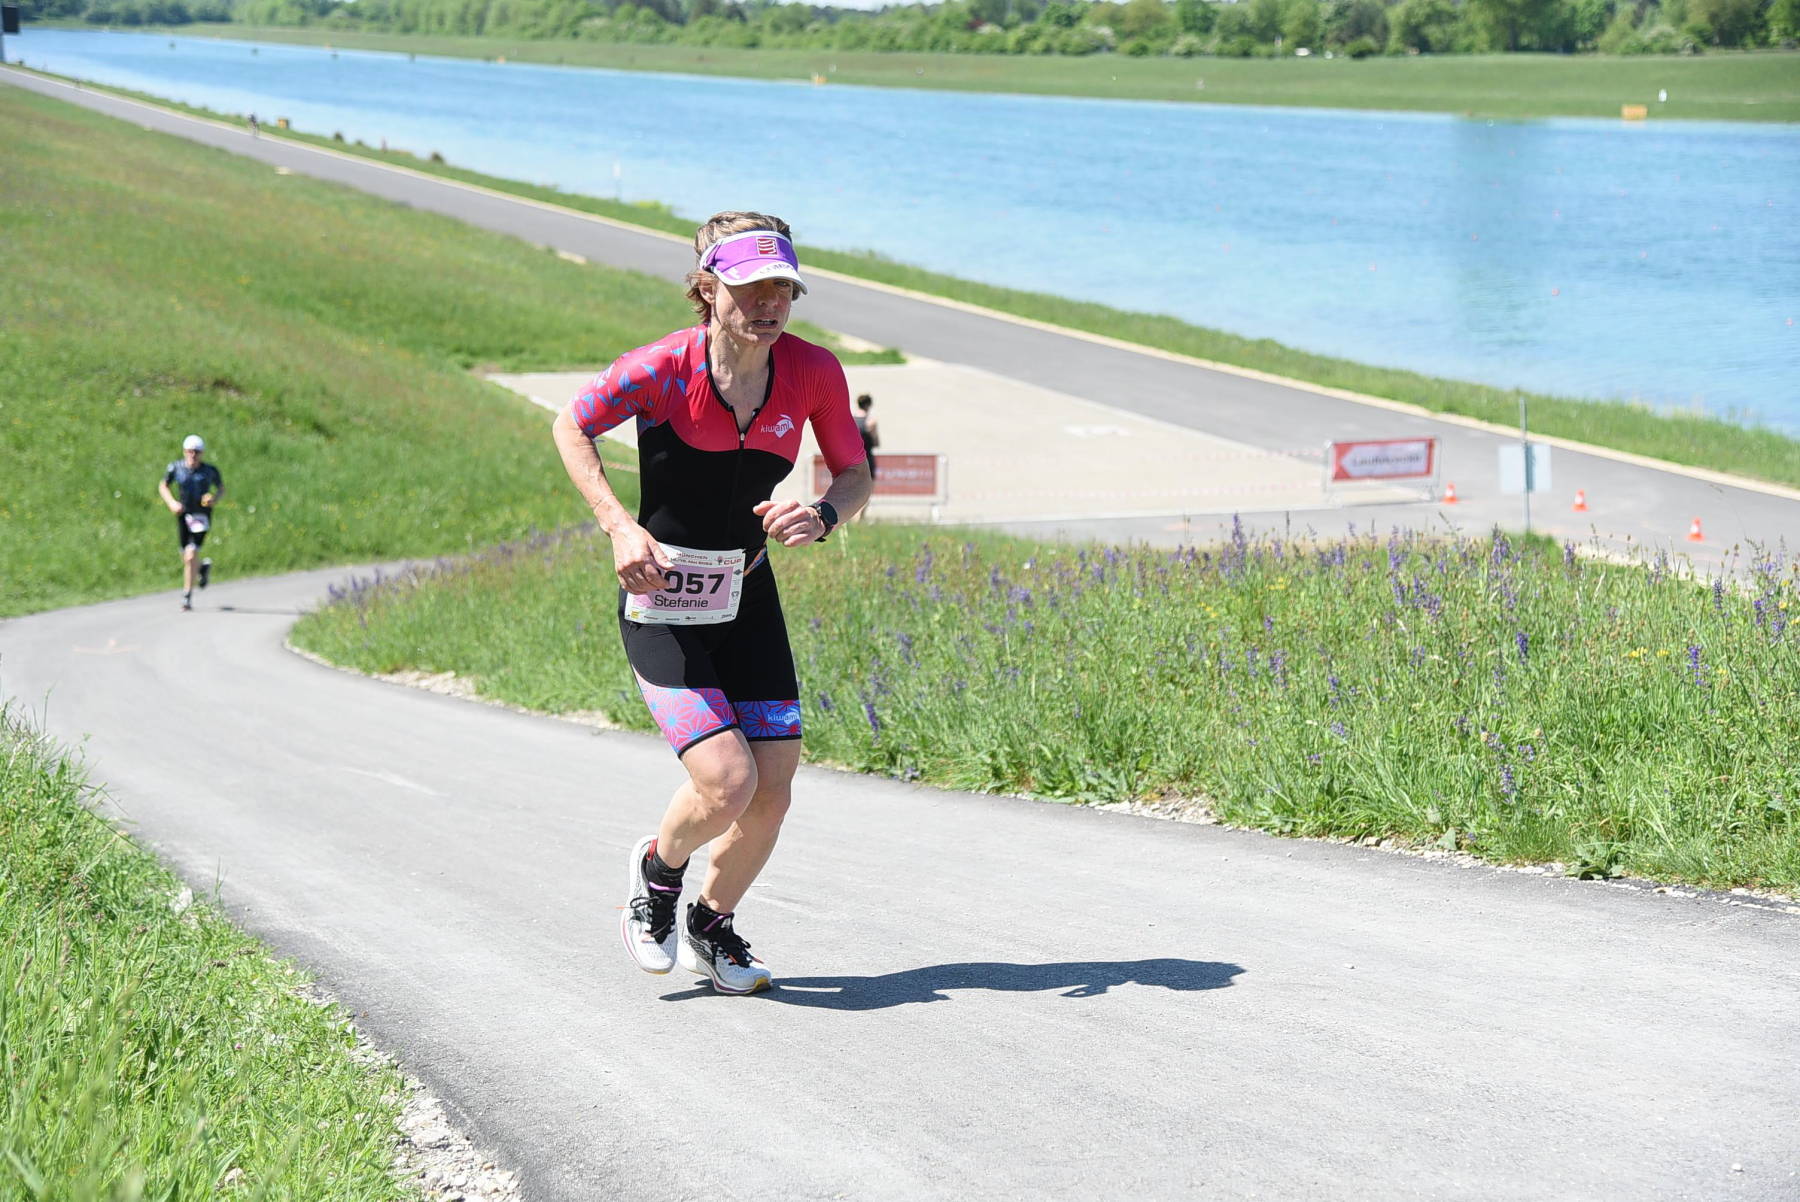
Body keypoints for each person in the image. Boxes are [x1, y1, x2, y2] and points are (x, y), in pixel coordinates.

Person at [552, 211, 872, 995]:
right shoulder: (664, 367)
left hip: (746, 594)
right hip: (660, 602)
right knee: (727, 783)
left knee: (773, 788)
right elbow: (572, 424)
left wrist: (824, 512)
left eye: (783, 290)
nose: (769, 304)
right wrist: (619, 527)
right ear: (707, 287)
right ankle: (659, 877)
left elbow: (854, 473)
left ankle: (710, 924)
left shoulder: (813, 371)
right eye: (751, 288)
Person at [159, 434, 223, 611]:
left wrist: (213, 498)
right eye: (190, 451)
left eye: (196, 452)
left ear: (201, 453)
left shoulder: (209, 471)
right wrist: (171, 502)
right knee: (186, 556)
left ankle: (186, 597)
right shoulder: (176, 468)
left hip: (201, 516)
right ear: (184, 452)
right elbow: (163, 485)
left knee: (190, 554)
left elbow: (221, 489)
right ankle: (202, 568)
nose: (193, 455)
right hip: (183, 515)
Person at [854, 393, 880, 519]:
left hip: (852, 459)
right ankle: (859, 517)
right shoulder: (871, 422)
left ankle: (854, 516)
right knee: (868, 490)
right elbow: (876, 442)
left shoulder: (850, 420)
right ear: (869, 405)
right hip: (867, 459)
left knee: (853, 489)